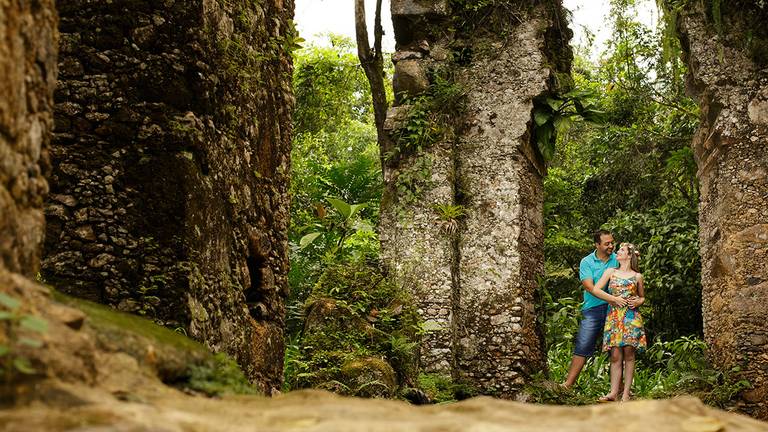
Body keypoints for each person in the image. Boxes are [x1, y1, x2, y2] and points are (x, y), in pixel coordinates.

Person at [562, 230, 627, 389]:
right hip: (592, 308)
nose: (611, 246)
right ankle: (567, 385)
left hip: (615, 309)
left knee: (616, 348)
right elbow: (590, 287)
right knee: (583, 344)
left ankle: (619, 389)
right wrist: (613, 299)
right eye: (607, 243)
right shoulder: (587, 261)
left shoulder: (617, 259)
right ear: (597, 244)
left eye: (612, 243)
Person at [595, 242, 647, 402]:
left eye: (622, 250)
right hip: (614, 317)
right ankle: (613, 393)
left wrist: (638, 302)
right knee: (615, 355)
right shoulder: (611, 272)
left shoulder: (637, 276)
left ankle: (626, 394)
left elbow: (642, 297)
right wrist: (613, 299)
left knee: (629, 354)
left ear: (629, 255)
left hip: (631, 318)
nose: (617, 251)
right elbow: (596, 289)